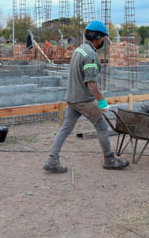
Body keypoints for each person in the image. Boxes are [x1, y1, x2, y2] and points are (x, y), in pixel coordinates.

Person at [44, 21, 129, 173]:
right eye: (102, 38)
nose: (103, 41)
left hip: (72, 98)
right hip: (83, 100)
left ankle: (52, 160)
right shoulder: (90, 55)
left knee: (65, 129)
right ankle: (109, 160)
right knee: (102, 127)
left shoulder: (79, 50)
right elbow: (92, 84)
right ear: (97, 37)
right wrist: (102, 101)